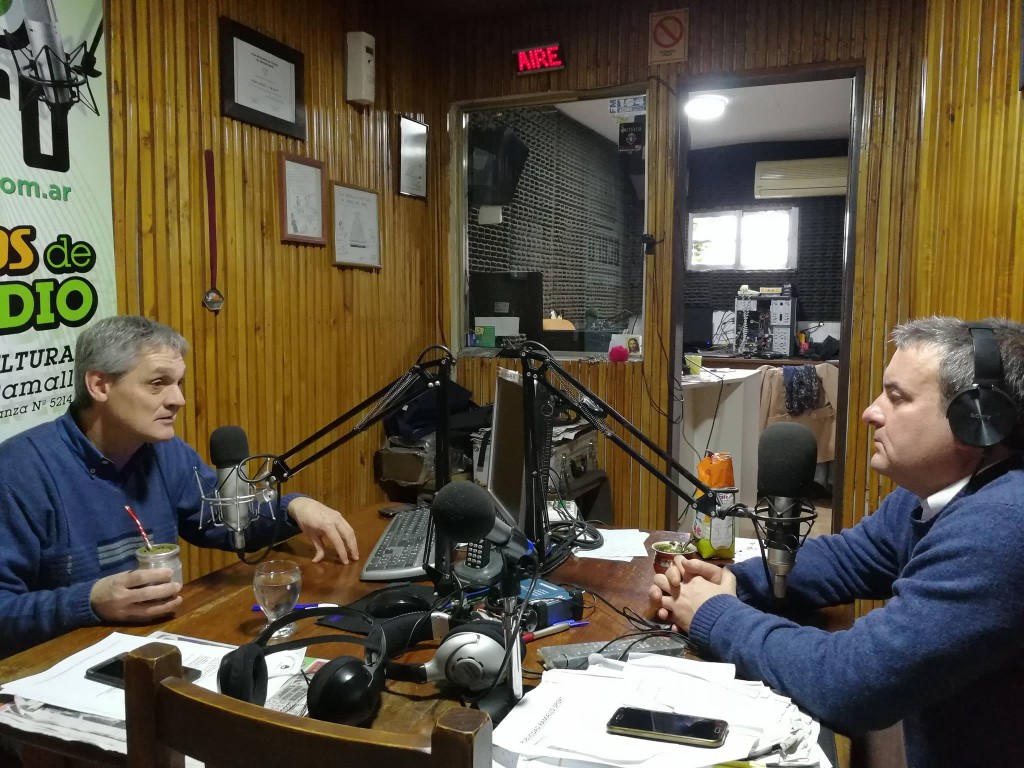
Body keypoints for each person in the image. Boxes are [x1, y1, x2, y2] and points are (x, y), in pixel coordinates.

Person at [649, 316, 1024, 768]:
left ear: (978, 420)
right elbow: (851, 558)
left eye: (897, 397)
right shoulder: (934, 492)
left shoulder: (1001, 527)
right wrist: (734, 582)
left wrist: (715, 615)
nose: (871, 412)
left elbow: (851, 684)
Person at [0, 315, 359, 658]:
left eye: (178, 383)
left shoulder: (165, 453)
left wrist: (292, 507)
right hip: (53, 668)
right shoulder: (20, 470)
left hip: (153, 646)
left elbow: (226, 523)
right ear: (99, 385)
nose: (178, 400)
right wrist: (90, 601)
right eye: (157, 383)